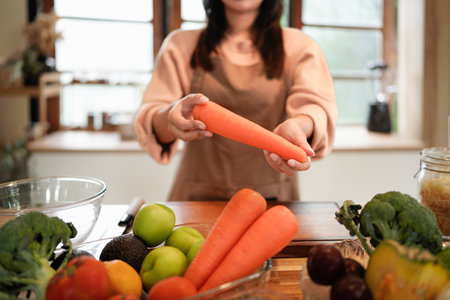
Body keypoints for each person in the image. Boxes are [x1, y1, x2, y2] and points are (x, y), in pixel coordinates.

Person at [135, 0, 338, 201]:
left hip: (273, 198)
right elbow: (152, 117)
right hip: (195, 196)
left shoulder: (300, 47)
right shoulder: (180, 45)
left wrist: (301, 124)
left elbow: (315, 105)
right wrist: (171, 116)